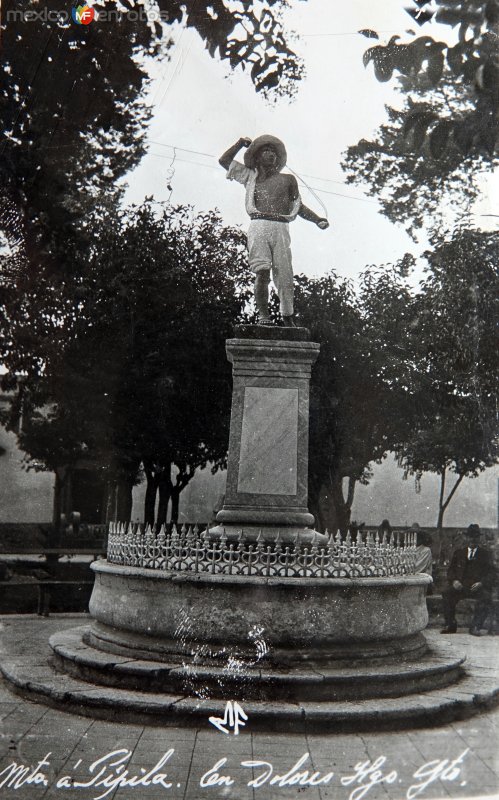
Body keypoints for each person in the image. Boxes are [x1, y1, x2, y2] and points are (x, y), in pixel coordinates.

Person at [219, 135, 329, 327]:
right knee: (262, 272)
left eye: (274, 153)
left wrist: (317, 219)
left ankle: (287, 316)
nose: (271, 156)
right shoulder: (250, 177)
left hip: (280, 227)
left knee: (285, 274)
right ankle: (264, 316)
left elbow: (298, 206)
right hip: (259, 226)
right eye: (266, 152)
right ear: (257, 157)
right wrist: (239, 144)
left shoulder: (288, 180)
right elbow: (224, 161)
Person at [441, 523, 496, 636]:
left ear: (479, 538)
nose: (473, 539)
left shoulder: (485, 555)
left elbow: (492, 573)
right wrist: (454, 581)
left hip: (478, 588)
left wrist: (481, 583)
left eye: (475, 537)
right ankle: (450, 625)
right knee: (447, 593)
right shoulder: (459, 553)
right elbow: (450, 571)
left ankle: (476, 626)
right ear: (466, 537)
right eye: (470, 536)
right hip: (461, 587)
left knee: (486, 598)